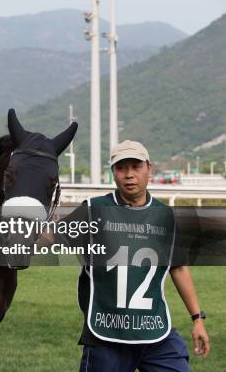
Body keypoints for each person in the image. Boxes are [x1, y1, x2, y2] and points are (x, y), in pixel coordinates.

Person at [58, 140, 210, 371]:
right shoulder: (93, 211)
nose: (129, 175)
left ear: (149, 168)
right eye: (121, 168)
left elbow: (177, 267)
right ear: (113, 173)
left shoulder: (165, 216)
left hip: (155, 331)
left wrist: (197, 319)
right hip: (107, 333)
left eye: (136, 166)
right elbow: (49, 237)